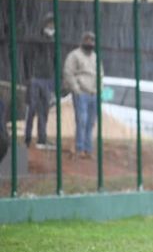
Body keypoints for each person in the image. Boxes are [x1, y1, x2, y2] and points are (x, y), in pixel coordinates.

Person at [63, 31, 102, 159]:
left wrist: (99, 89)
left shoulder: (95, 56)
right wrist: (76, 88)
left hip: (94, 94)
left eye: (92, 40)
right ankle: (79, 148)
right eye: (87, 40)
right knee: (82, 121)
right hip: (81, 93)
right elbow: (68, 73)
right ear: (82, 41)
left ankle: (88, 149)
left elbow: (100, 73)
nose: (90, 43)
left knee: (91, 122)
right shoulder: (74, 55)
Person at [24, 12, 55, 150]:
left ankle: (41, 139)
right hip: (35, 78)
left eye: (53, 25)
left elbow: (55, 62)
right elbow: (27, 58)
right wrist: (29, 75)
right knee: (31, 108)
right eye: (49, 24)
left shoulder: (54, 42)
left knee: (44, 110)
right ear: (43, 25)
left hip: (48, 79)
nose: (51, 27)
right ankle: (27, 138)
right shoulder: (36, 40)